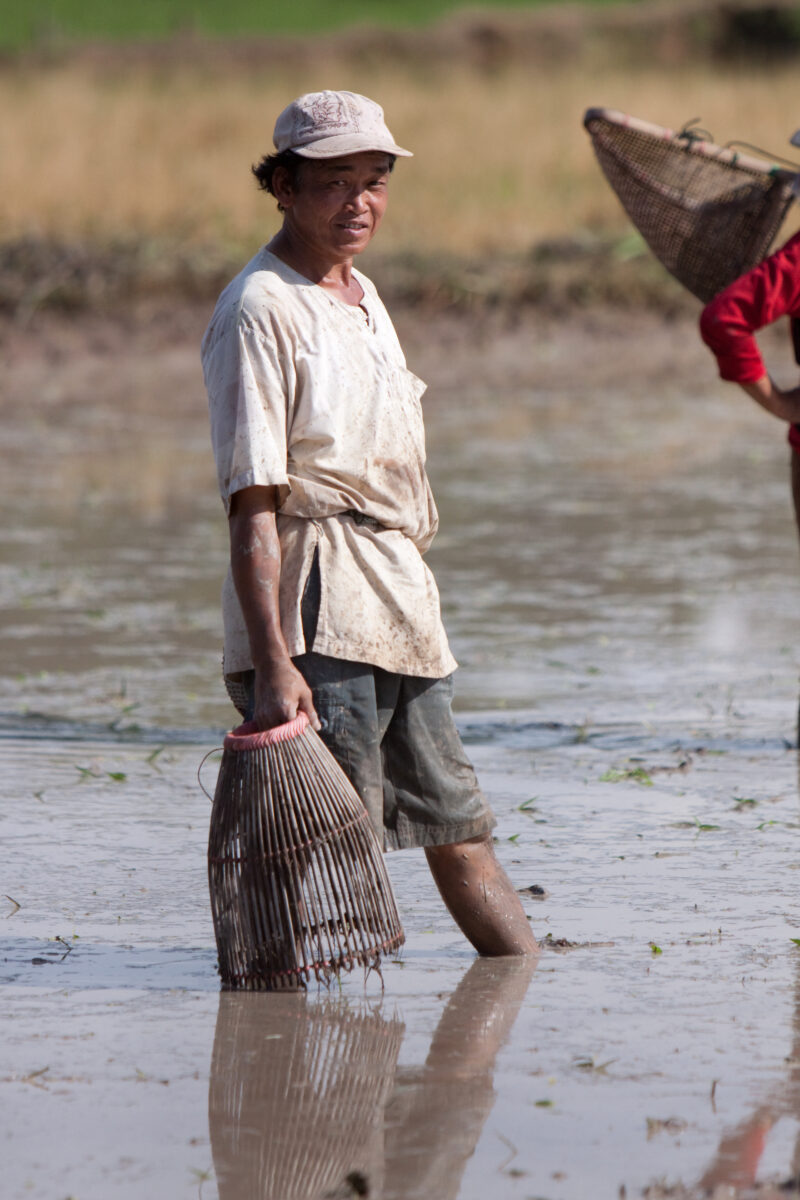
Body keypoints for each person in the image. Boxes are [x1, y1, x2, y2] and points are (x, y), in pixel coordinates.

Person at [202, 90, 537, 957]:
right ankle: (267, 1000)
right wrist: (276, 664)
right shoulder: (260, 309)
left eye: (375, 181)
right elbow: (254, 500)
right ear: (281, 184)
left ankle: (520, 979)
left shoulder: (361, 294)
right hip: (318, 607)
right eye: (333, 182)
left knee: (456, 822)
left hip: (396, 599)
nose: (359, 202)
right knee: (309, 837)